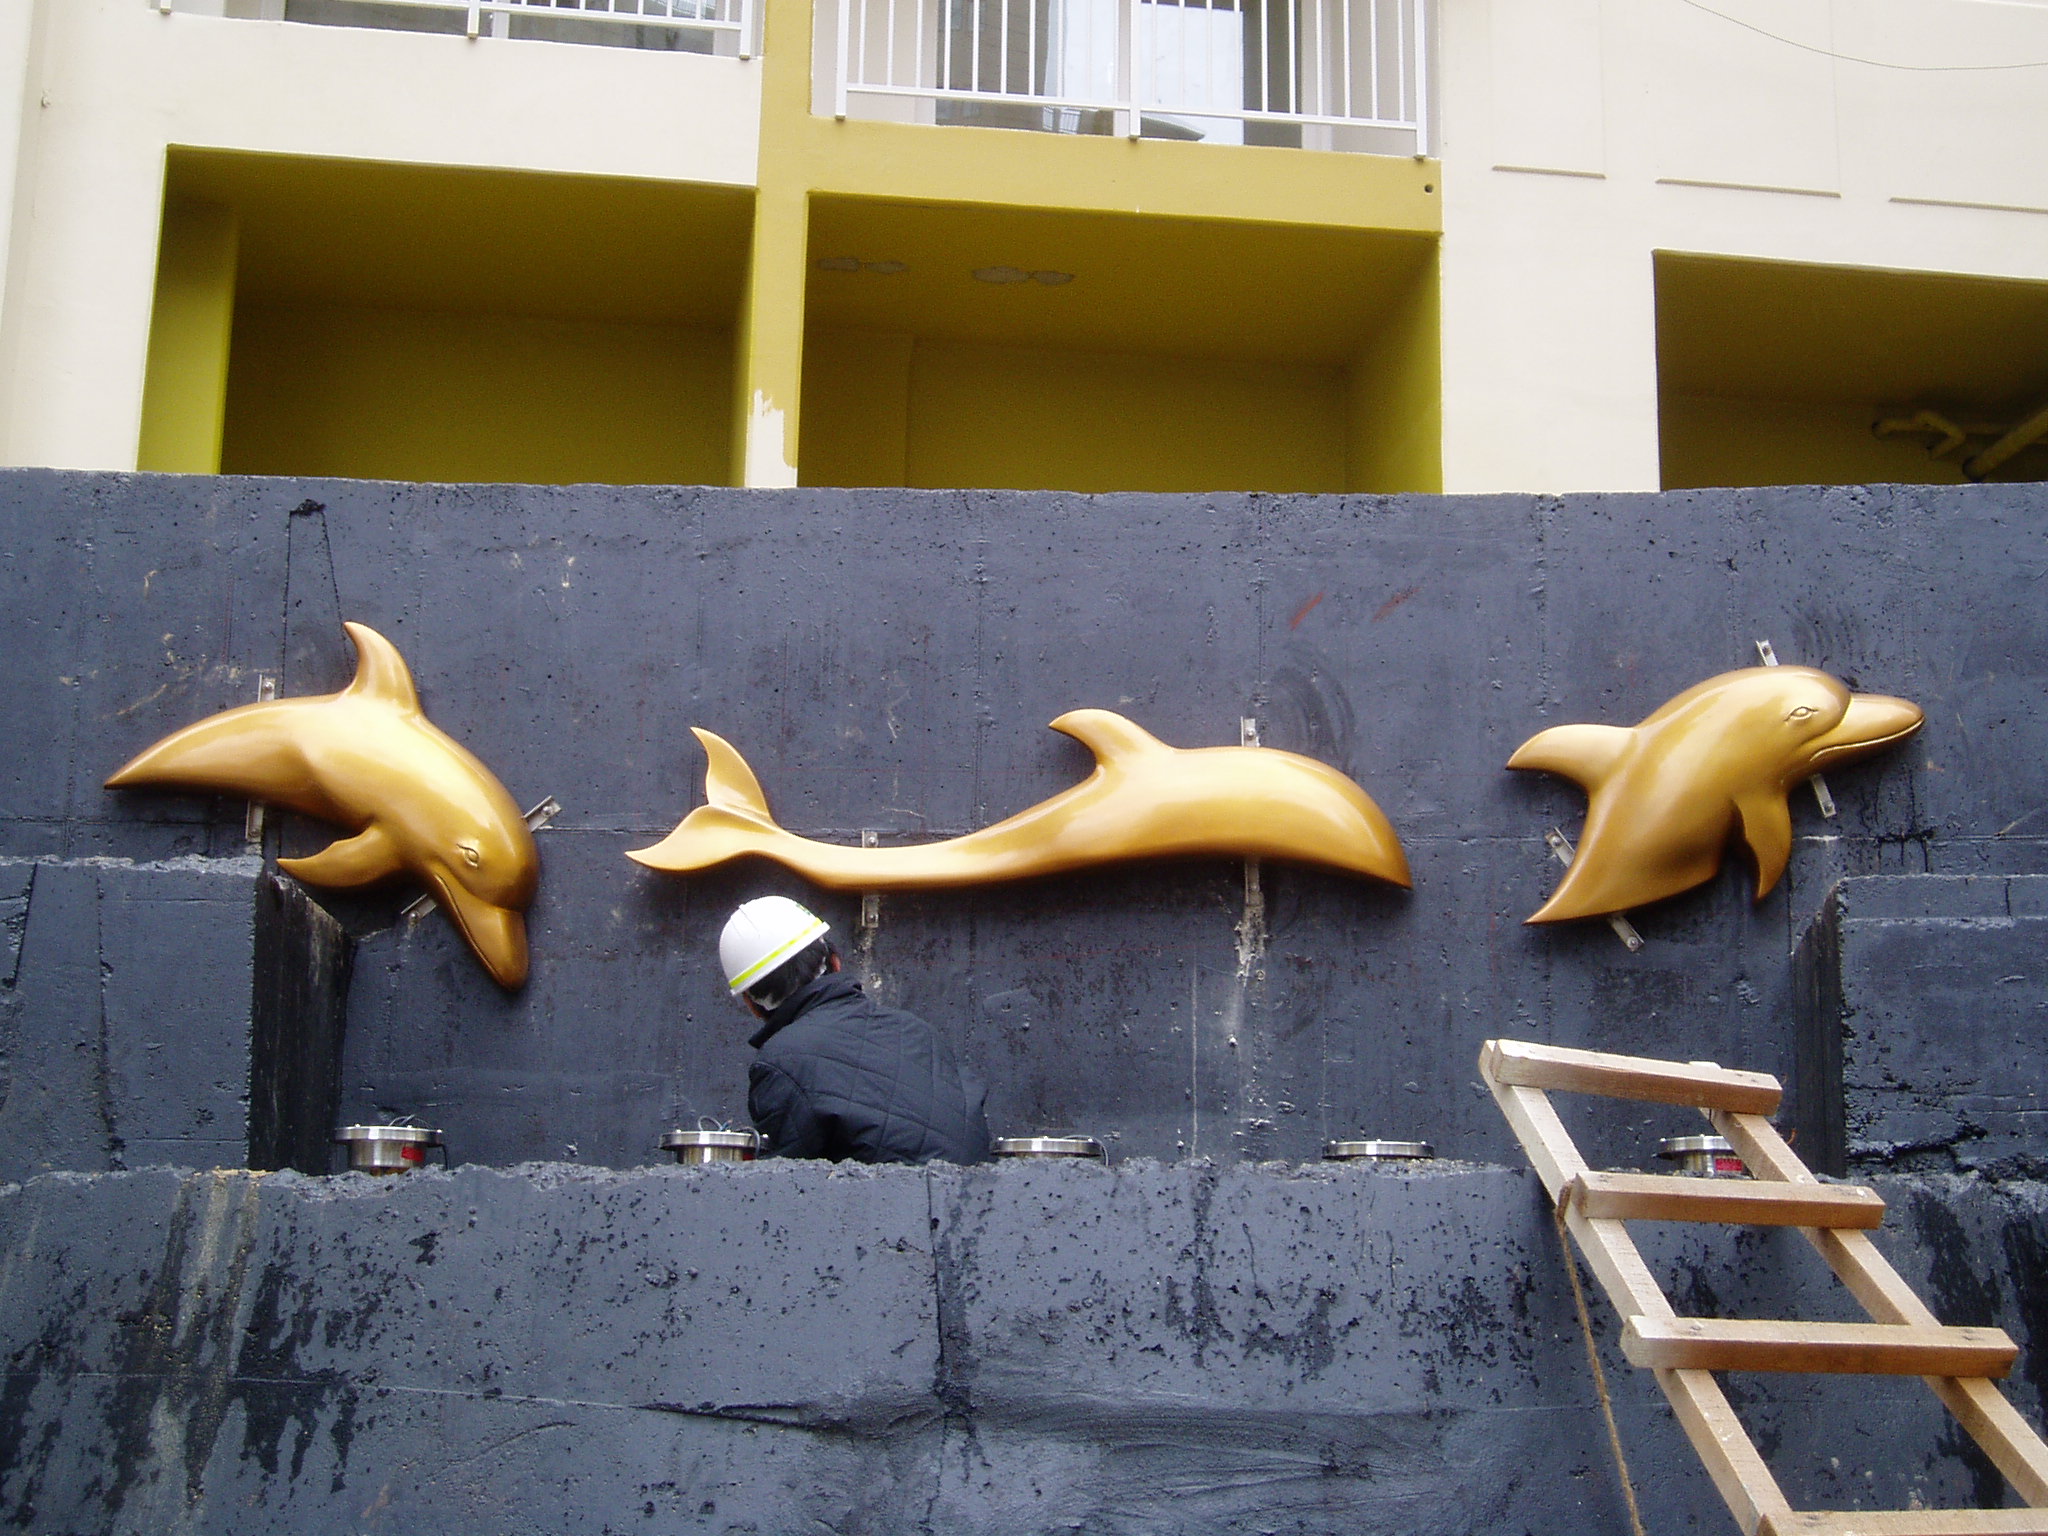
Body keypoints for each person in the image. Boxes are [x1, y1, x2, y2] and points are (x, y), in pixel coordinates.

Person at [719, 896, 991, 1165]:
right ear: (835, 962)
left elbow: (785, 1179)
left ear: (752, 1004)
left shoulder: (780, 1063)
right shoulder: (920, 1032)